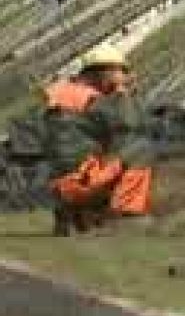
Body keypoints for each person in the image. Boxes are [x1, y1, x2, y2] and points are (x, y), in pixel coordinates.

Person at [45, 45, 155, 233]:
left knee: (107, 156)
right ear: (105, 72)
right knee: (140, 149)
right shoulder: (92, 99)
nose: (124, 76)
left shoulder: (63, 93)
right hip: (82, 180)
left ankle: (75, 214)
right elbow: (131, 125)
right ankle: (126, 216)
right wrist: (124, 95)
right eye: (120, 71)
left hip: (60, 185)